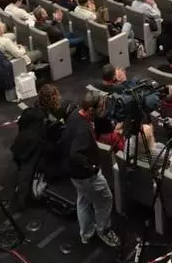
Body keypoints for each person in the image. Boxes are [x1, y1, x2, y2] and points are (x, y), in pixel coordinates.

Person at [60, 91, 121, 247]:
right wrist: (91, 167)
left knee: (84, 199)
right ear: (91, 109)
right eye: (101, 107)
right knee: (105, 199)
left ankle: (86, 234)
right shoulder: (82, 130)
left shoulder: (76, 114)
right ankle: (104, 230)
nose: (103, 110)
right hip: (86, 175)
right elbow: (75, 154)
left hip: (74, 173)